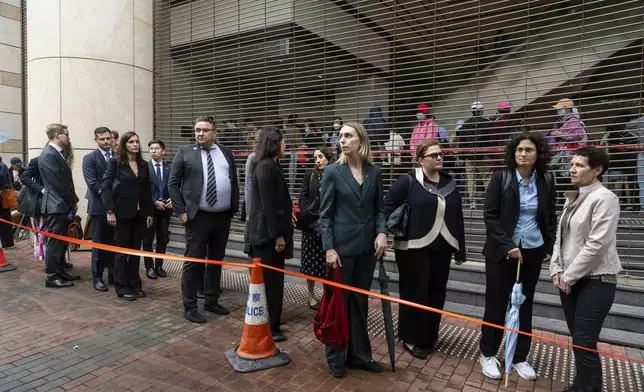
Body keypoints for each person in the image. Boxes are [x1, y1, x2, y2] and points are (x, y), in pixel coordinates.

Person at [479, 133, 557, 381]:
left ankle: (520, 356)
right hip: (502, 252)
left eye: (529, 150)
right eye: (519, 150)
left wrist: (548, 246)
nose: (523, 154)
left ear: (538, 154)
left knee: (524, 304)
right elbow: (490, 216)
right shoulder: (501, 178)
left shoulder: (546, 180)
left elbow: (550, 216)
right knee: (496, 303)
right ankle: (488, 353)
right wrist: (508, 245)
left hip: (532, 250)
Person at [384, 140, 465, 359]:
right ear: (421, 160)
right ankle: (410, 337)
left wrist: (461, 249)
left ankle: (428, 337)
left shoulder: (450, 183)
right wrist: (388, 232)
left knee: (436, 294)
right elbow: (388, 206)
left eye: (440, 154)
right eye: (433, 155)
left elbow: (458, 217)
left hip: (443, 248)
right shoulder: (408, 181)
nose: (439, 158)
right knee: (414, 292)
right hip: (412, 249)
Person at [550, 147, 622, 392]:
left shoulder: (606, 198)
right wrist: (555, 269)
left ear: (598, 170)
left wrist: (568, 275)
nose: (572, 169)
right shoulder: (574, 196)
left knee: (584, 341)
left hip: (596, 280)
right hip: (568, 280)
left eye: (580, 165)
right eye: (572, 164)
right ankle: (580, 385)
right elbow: (560, 238)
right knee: (579, 340)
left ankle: (589, 388)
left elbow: (597, 244)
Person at [319, 121, 387, 378]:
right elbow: (325, 215)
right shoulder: (333, 172)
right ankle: (335, 356)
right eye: (340, 136)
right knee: (338, 303)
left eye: (348, 136)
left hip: (367, 250)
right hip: (340, 250)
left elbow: (380, 208)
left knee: (359, 302)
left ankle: (359, 355)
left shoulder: (374, 172)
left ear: (361, 141)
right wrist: (329, 248)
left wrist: (382, 232)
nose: (342, 140)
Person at [168, 115, 239, 324]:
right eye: (197, 130)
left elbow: (233, 180)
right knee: (194, 261)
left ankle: (211, 300)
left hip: (222, 216)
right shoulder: (185, 152)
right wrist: (181, 212)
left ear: (214, 132)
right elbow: (173, 184)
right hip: (197, 217)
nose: (200, 133)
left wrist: (233, 207)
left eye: (205, 130)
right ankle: (190, 306)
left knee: (216, 260)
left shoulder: (226, 152)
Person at [248, 127, 293, 342]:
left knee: (276, 281)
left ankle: (274, 319)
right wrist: (277, 235)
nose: (286, 146)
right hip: (267, 238)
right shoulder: (265, 167)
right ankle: (270, 326)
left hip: (272, 234)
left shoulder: (273, 165)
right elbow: (268, 205)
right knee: (270, 283)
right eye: (284, 142)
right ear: (274, 143)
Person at [101, 132, 154, 301]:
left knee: (135, 251)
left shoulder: (144, 164)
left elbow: (147, 190)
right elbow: (106, 187)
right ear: (124, 145)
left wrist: (149, 212)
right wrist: (110, 211)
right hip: (122, 213)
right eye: (131, 142)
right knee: (122, 252)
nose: (135, 144)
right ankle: (121, 286)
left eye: (137, 141)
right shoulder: (116, 163)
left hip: (140, 214)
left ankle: (135, 283)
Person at [39, 124, 79, 288]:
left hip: (61, 204)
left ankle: (60, 271)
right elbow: (58, 183)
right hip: (56, 204)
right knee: (55, 242)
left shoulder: (56, 153)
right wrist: (71, 202)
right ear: (57, 135)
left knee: (62, 242)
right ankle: (52, 276)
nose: (68, 138)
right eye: (66, 135)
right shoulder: (49, 154)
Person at [299, 147, 335, 310]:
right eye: (315, 158)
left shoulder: (335, 173)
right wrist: (307, 213)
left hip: (330, 226)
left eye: (320, 157)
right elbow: (303, 196)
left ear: (328, 157)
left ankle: (328, 295)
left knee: (328, 264)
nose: (318, 160)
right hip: (312, 226)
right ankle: (311, 295)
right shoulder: (310, 174)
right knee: (310, 263)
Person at [82, 127, 116, 292]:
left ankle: (113, 275)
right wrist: (111, 198)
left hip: (118, 208)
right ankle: (97, 277)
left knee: (114, 242)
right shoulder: (89, 158)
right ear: (96, 139)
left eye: (108, 138)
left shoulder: (117, 157)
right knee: (99, 244)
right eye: (102, 139)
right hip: (99, 208)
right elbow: (93, 184)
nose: (106, 142)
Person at [142, 139, 171, 279]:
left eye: (156, 148)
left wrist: (173, 199)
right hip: (150, 210)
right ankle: (149, 267)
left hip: (166, 209)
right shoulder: (144, 168)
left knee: (162, 239)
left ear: (163, 151)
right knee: (147, 239)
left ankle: (159, 265)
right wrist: (154, 202)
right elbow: (142, 189)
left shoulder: (169, 167)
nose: (153, 151)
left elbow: (174, 186)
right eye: (151, 149)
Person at [456, 101, 493, 208]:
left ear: (472, 111)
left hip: (469, 157)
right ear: (481, 110)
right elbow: (490, 140)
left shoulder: (465, 125)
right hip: (483, 156)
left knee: (471, 180)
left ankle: (472, 202)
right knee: (487, 179)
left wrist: (462, 157)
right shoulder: (487, 124)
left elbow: (461, 142)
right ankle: (491, 200)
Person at [0, 156, 14, 249]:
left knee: (5, 220)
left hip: (3, 197)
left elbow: (2, 180)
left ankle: (7, 243)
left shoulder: (2, 166)